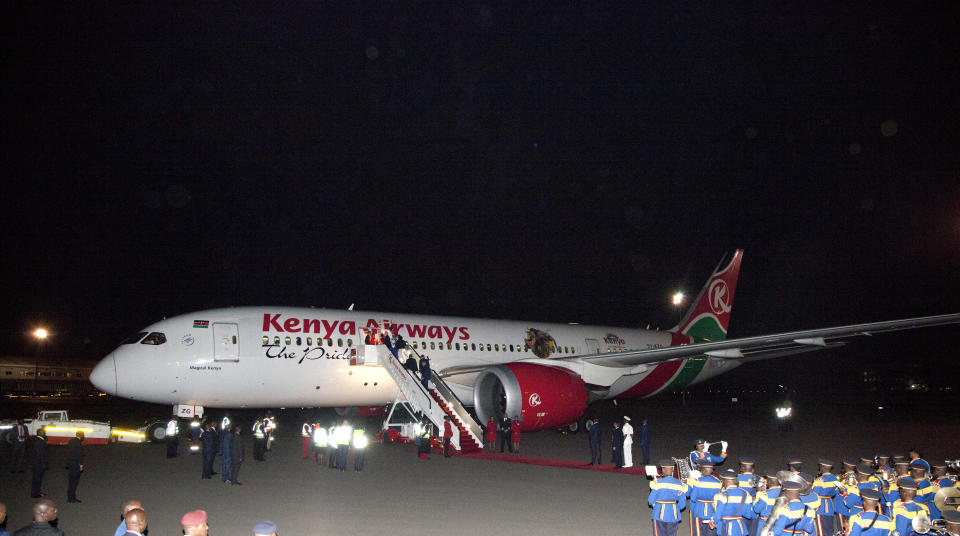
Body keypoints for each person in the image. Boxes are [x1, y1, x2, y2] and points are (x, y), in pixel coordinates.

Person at [711, 469, 756, 536]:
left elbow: (718, 515)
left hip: (725, 528)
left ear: (726, 482)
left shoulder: (721, 496)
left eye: (723, 481)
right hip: (740, 527)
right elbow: (749, 515)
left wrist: (713, 523)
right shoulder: (745, 494)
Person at [648, 459, 687, 536]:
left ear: (662, 470)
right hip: (673, 513)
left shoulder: (658, 483)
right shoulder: (680, 484)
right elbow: (682, 504)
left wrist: (657, 506)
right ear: (673, 469)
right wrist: (674, 508)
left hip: (659, 513)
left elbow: (650, 500)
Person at [688, 460, 721, 536]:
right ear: (712, 470)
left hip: (699, 510)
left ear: (702, 470)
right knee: (711, 532)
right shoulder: (718, 482)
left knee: (699, 532)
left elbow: (693, 497)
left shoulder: (698, 481)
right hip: (712, 510)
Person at [810, 459, 839, 536]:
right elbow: (836, 491)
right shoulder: (834, 478)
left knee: (821, 531)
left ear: (822, 467)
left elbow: (814, 494)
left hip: (820, 508)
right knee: (829, 530)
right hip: (829, 506)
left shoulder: (819, 480)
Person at [66, 430, 84, 503]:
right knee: (74, 482)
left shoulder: (71, 441)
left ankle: (70, 496)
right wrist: (81, 465)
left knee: (71, 481)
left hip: (70, 463)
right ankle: (72, 498)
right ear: (82, 436)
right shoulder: (79, 443)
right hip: (75, 465)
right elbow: (80, 455)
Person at [31, 428, 49, 499]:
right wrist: (43, 464)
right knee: (37, 479)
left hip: (38, 464)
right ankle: (35, 493)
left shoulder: (39, 440)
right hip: (39, 464)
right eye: (44, 433)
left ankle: (38, 491)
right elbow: (40, 454)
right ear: (41, 433)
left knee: (38, 479)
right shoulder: (40, 442)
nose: (45, 434)